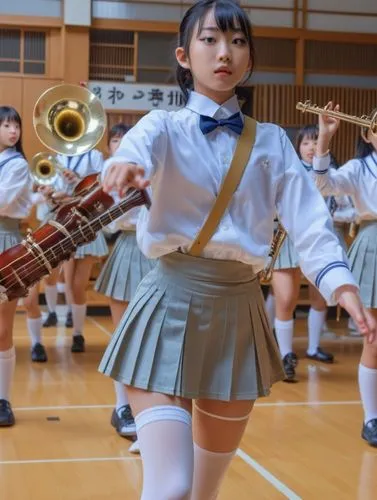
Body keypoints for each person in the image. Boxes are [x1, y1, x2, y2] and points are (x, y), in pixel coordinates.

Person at [98, 1, 376, 497]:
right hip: (168, 301)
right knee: (171, 485)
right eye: (209, 40)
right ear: (185, 55)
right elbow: (133, 154)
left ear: (249, 60)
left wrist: (342, 283)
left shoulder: (271, 141)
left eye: (238, 41)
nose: (224, 52)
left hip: (239, 310)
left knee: (203, 490)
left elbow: (309, 224)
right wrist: (120, 169)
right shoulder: (161, 126)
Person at [313, 102, 377, 447]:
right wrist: (324, 137)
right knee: (374, 339)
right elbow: (323, 185)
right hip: (373, 242)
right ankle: (371, 418)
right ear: (368, 135)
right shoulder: (360, 168)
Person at [95, 123, 155, 445]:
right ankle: (122, 407)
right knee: (122, 336)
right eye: (115, 139)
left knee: (153, 339)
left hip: (156, 252)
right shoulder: (108, 174)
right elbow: (111, 223)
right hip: (127, 249)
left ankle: (150, 411)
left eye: (125, 138)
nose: (121, 144)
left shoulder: (153, 170)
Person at [269, 125, 335, 382]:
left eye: (316, 141)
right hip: (288, 237)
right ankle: (285, 355)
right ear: (297, 146)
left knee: (322, 298)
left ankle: (313, 347)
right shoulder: (288, 170)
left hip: (319, 239)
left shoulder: (330, 171)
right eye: (306, 142)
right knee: (286, 299)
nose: (310, 147)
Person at [0, 106, 35, 425]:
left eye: (16, 125)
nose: (13, 131)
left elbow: (4, 202)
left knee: (3, 328)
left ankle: (3, 400)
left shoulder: (18, 164)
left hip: (6, 242)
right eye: (6, 125)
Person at [56, 149, 108, 352]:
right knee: (69, 284)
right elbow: (58, 188)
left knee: (78, 285)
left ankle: (78, 333)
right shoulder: (60, 157)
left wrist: (78, 179)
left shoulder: (95, 156)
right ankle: (74, 325)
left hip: (88, 223)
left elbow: (101, 187)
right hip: (67, 224)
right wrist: (54, 194)